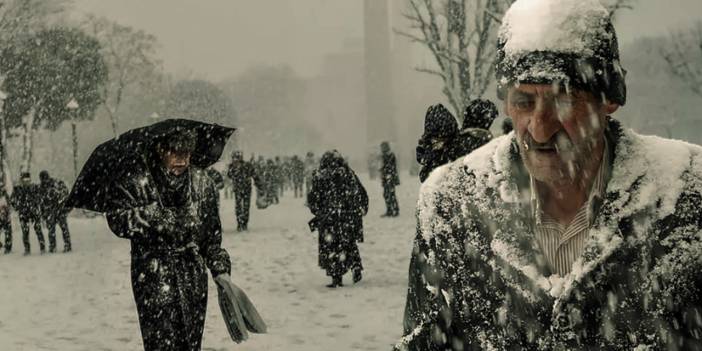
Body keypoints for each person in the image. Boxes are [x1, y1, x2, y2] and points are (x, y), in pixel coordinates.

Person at [399, 0, 702, 349]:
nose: (540, 130)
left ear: (609, 100)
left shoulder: (686, 198)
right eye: (524, 102)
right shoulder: (451, 203)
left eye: (563, 101)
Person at [105, 128, 233, 350]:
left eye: (186, 153)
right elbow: (117, 219)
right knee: (160, 342)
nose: (181, 159)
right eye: (175, 152)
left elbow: (211, 237)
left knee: (190, 343)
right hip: (152, 274)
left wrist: (219, 268)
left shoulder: (203, 184)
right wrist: (153, 216)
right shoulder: (138, 181)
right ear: (160, 150)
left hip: (192, 276)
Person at [307, 150, 368, 287]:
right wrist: (361, 207)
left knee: (330, 247)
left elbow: (313, 198)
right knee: (349, 243)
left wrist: (318, 211)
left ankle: (336, 276)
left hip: (329, 218)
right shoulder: (348, 174)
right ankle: (355, 265)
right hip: (347, 216)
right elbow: (360, 192)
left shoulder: (320, 176)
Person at [10, 172, 45, 255]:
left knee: (38, 230)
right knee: (25, 232)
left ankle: (42, 248)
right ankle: (27, 249)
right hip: (23, 213)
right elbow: (12, 200)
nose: (26, 182)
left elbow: (41, 198)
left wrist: (37, 204)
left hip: (34, 212)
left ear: (30, 180)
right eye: (24, 180)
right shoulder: (17, 189)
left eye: (28, 180)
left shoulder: (35, 187)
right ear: (21, 180)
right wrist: (17, 207)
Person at [38, 170, 72, 253]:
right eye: (43, 179)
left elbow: (65, 194)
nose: (44, 180)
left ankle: (64, 246)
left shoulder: (56, 184)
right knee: (53, 230)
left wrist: (65, 207)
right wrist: (43, 214)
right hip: (52, 211)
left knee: (59, 229)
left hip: (58, 210)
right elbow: (41, 202)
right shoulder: (43, 187)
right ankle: (55, 246)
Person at [227, 151, 260, 231]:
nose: (235, 160)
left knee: (244, 207)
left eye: (236, 157)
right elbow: (229, 175)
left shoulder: (247, 165)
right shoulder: (234, 166)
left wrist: (258, 184)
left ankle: (243, 223)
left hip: (244, 189)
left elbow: (254, 175)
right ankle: (241, 223)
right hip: (241, 189)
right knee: (241, 207)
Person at [379, 141, 400, 217]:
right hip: (386, 177)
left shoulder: (390, 155)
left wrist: (388, 174)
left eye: (383, 147)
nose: (381, 148)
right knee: (386, 194)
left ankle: (395, 210)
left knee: (391, 194)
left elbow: (391, 167)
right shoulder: (384, 155)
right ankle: (390, 210)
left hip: (390, 177)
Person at [0, 187, 12, 254]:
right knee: (8, 232)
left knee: (8, 232)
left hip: (6, 215)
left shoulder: (5, 194)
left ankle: (8, 247)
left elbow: (9, 204)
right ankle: (8, 247)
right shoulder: (5, 194)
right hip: (5, 215)